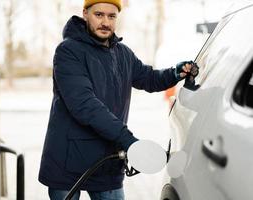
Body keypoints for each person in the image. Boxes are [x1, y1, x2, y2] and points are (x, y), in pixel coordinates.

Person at [39, 0, 194, 199]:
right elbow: (84, 104)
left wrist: (175, 73)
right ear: (85, 13)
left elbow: (149, 78)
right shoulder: (68, 52)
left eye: (111, 16)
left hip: (108, 160)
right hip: (68, 162)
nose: (105, 22)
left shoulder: (122, 54)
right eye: (99, 15)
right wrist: (127, 140)